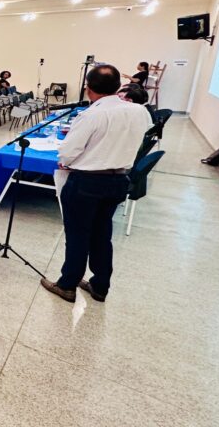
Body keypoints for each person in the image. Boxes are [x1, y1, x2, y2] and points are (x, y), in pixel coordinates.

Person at [40, 65, 153, 304]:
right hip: (119, 180)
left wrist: (69, 161)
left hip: (87, 182)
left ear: (88, 89)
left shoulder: (92, 115)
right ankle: (100, 286)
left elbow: (68, 153)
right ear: (117, 87)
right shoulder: (140, 112)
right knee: (102, 234)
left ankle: (67, 285)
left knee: (78, 234)